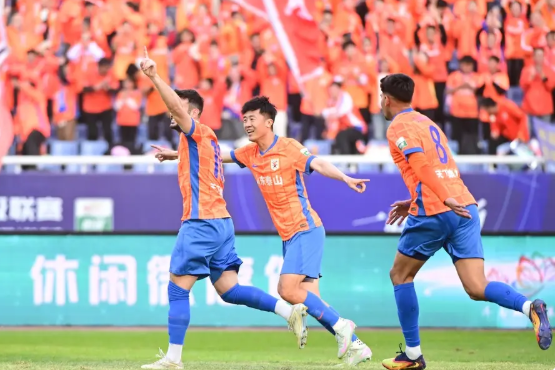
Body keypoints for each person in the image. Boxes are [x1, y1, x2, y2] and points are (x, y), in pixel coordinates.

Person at [154, 96, 373, 366]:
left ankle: (342, 325)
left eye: (252, 118)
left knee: (287, 290)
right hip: (289, 236)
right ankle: (356, 345)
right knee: (312, 300)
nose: (247, 124)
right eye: (244, 119)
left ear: (269, 122)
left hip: (305, 228)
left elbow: (317, 163)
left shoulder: (288, 147)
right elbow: (214, 155)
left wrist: (345, 177)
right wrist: (176, 154)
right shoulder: (250, 153)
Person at [139, 49, 307, 370]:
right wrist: (175, 155)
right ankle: (289, 312)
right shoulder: (203, 140)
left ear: (193, 113)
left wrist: (153, 76)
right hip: (222, 222)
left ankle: (173, 359)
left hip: (201, 221)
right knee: (230, 289)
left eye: (179, 108)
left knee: (177, 287)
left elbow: (176, 107)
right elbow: (200, 160)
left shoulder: (197, 130)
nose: (172, 113)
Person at [378, 73, 552, 370]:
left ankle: (413, 355)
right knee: (476, 286)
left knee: (400, 275)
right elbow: (441, 167)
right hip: (465, 207)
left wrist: (441, 197)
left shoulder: (399, 126)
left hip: (437, 208)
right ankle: (529, 307)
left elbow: (420, 165)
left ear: (386, 99)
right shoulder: (428, 123)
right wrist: (422, 198)